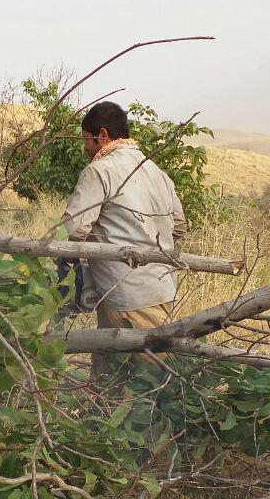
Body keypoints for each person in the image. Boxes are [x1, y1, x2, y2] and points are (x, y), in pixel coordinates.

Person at [60, 101, 187, 376]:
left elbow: (72, 230)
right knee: (117, 370)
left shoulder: (99, 171)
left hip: (125, 292)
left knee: (149, 379)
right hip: (162, 286)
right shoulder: (158, 172)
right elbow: (178, 227)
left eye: (86, 140)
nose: (85, 148)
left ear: (102, 135)